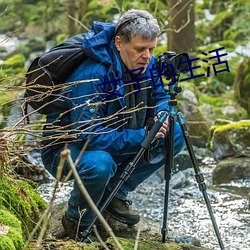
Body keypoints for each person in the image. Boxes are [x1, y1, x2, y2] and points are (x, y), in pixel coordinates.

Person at [41, 9, 185, 241]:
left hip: (117, 136)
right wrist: (142, 135)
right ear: (119, 43)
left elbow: (160, 95)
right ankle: (76, 221)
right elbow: (87, 136)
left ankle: (115, 193)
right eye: (140, 49)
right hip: (67, 150)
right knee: (100, 164)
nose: (147, 56)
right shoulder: (92, 75)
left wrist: (161, 114)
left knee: (175, 131)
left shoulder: (146, 64)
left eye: (152, 49)